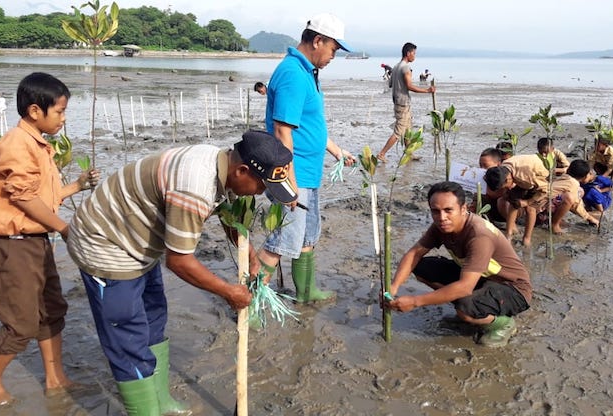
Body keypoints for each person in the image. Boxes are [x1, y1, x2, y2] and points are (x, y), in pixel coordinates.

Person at [66, 130, 297, 415]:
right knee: (127, 338)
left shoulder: (220, 162)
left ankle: (161, 401)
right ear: (242, 170)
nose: (261, 193)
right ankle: (146, 411)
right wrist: (228, 292)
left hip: (139, 240)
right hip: (106, 244)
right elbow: (178, 261)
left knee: (153, 317)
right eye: (262, 186)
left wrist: (248, 253)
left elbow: (224, 210)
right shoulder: (194, 188)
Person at [0, 72, 100, 407]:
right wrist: (64, 228)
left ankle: (55, 378)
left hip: (32, 242)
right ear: (34, 111)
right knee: (21, 322)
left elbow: (42, 196)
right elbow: (23, 199)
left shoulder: (39, 145)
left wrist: (77, 185)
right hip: (10, 245)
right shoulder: (16, 144)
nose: (63, 118)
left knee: (51, 309)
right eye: (59, 111)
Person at [257, 13, 356, 303]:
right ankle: (249, 303)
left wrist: (336, 150)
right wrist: (290, 182)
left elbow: (310, 124)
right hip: (293, 175)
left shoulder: (307, 73)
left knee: (307, 237)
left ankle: (306, 292)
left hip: (308, 174)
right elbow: (282, 129)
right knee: (280, 241)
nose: (333, 56)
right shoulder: (292, 73)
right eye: (334, 49)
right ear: (317, 41)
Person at [385, 181, 532, 347]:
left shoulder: (479, 235)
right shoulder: (440, 226)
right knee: (422, 267)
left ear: (464, 209)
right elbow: (414, 254)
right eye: (436, 211)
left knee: (466, 307)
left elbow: (465, 287)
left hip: (512, 287)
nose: (442, 218)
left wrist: (415, 301)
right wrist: (393, 287)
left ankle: (502, 323)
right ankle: (472, 312)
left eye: (448, 210)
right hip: (481, 279)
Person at [376, 42, 436, 163]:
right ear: (408, 53)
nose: (414, 56)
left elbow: (391, 84)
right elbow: (409, 86)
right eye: (414, 53)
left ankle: (409, 153)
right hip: (402, 103)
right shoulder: (405, 68)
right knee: (399, 132)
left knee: (408, 129)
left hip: (398, 101)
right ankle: (381, 154)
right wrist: (427, 90)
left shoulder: (397, 66)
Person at [484, 154, 550, 246]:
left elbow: (545, 190)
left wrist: (527, 202)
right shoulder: (503, 168)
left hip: (539, 180)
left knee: (530, 209)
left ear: (508, 180)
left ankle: (527, 238)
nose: (508, 188)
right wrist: (508, 193)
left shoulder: (526, 177)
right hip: (519, 175)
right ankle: (509, 234)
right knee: (514, 203)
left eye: (505, 187)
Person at [543, 162, 600, 234]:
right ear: (584, 176)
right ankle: (554, 224)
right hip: (543, 208)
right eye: (589, 174)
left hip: (545, 202)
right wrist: (589, 218)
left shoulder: (565, 177)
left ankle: (555, 218)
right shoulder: (573, 183)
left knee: (580, 191)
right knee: (570, 198)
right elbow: (576, 205)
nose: (591, 176)